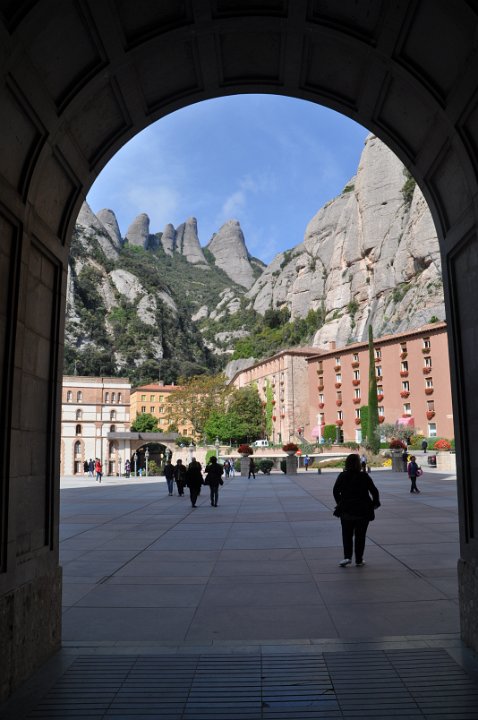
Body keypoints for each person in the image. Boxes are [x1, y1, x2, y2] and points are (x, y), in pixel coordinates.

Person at [333, 453, 380, 567]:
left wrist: (340, 503)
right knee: (360, 536)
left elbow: (335, 491)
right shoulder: (364, 476)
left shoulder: (342, 476)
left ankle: (347, 557)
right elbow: (374, 491)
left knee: (347, 534)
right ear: (359, 463)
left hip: (347, 510)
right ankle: (359, 559)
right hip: (363, 510)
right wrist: (375, 503)